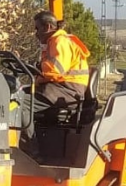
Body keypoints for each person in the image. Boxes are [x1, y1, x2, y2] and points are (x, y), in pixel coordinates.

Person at [19, 10, 91, 152]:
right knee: (16, 94)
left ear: (47, 27)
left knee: (20, 104)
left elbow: (55, 71)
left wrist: (37, 73)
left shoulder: (60, 42)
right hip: (58, 88)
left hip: (67, 91)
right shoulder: (54, 43)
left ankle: (30, 151)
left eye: (37, 28)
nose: (35, 33)